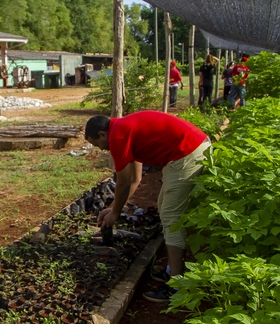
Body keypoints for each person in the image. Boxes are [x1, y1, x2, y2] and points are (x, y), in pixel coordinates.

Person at [84, 111, 210, 303]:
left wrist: (116, 212)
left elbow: (124, 183)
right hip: (192, 148)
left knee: (171, 217)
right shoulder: (123, 129)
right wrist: (114, 209)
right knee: (164, 207)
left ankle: (177, 286)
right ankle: (171, 271)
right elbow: (136, 179)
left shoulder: (117, 136)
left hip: (187, 152)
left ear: (102, 134)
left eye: (97, 144)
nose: (101, 149)